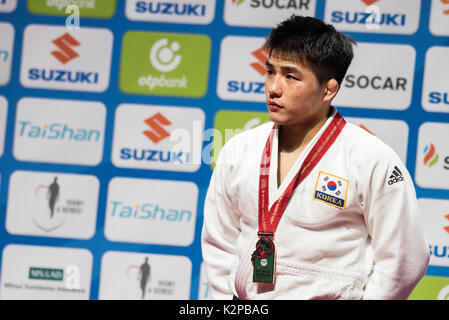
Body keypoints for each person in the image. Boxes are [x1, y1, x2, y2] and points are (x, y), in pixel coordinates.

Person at [201, 15, 429, 300]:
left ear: (328, 89)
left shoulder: (371, 159)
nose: (273, 87)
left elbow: (404, 257)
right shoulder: (239, 149)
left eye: (291, 76)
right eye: (270, 72)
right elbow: (219, 241)